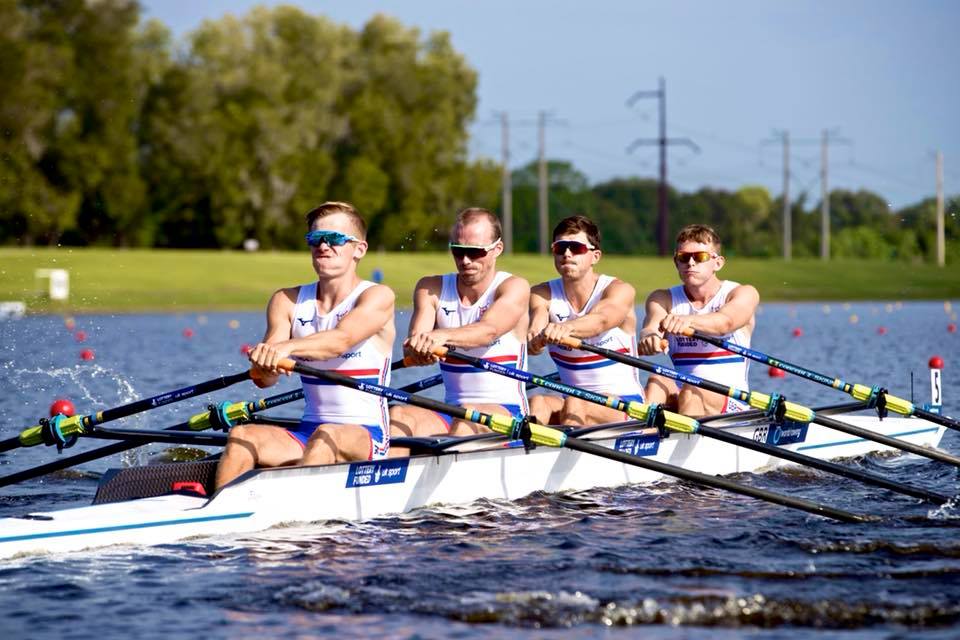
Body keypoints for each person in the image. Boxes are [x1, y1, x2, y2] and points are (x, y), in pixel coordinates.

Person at [215, 202, 395, 488]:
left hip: (366, 435)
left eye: (335, 239)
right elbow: (266, 381)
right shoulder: (286, 300)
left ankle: (295, 521)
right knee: (242, 436)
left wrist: (286, 348)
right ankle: (217, 519)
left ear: (359, 249)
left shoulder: (377, 297)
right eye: (315, 239)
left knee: (328, 436)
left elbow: (340, 341)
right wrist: (264, 365)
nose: (323, 246)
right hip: (309, 432)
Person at [390, 207, 530, 438]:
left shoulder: (513, 287)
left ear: (497, 249)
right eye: (458, 251)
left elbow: (487, 331)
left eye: (475, 252)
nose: (465, 260)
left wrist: (441, 336)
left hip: (508, 413)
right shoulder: (431, 288)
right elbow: (414, 342)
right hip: (453, 411)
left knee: (466, 420)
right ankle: (394, 471)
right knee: (397, 417)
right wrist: (418, 351)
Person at [527, 215, 645, 426]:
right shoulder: (541, 293)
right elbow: (538, 317)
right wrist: (534, 337)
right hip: (570, 400)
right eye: (560, 247)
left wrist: (565, 328)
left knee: (576, 403)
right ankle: (528, 453)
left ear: (595, 256)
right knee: (537, 402)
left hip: (625, 405)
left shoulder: (619, 290)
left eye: (576, 248)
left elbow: (600, 320)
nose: (567, 254)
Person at [637, 224, 759, 416]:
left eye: (700, 257)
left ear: (718, 263)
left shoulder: (741, 293)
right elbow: (651, 327)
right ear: (676, 262)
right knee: (656, 382)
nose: (691, 263)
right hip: (684, 392)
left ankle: (681, 440)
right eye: (683, 257)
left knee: (691, 392)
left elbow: (724, 323)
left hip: (731, 403)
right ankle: (643, 438)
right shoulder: (662, 298)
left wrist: (688, 321)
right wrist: (649, 338)